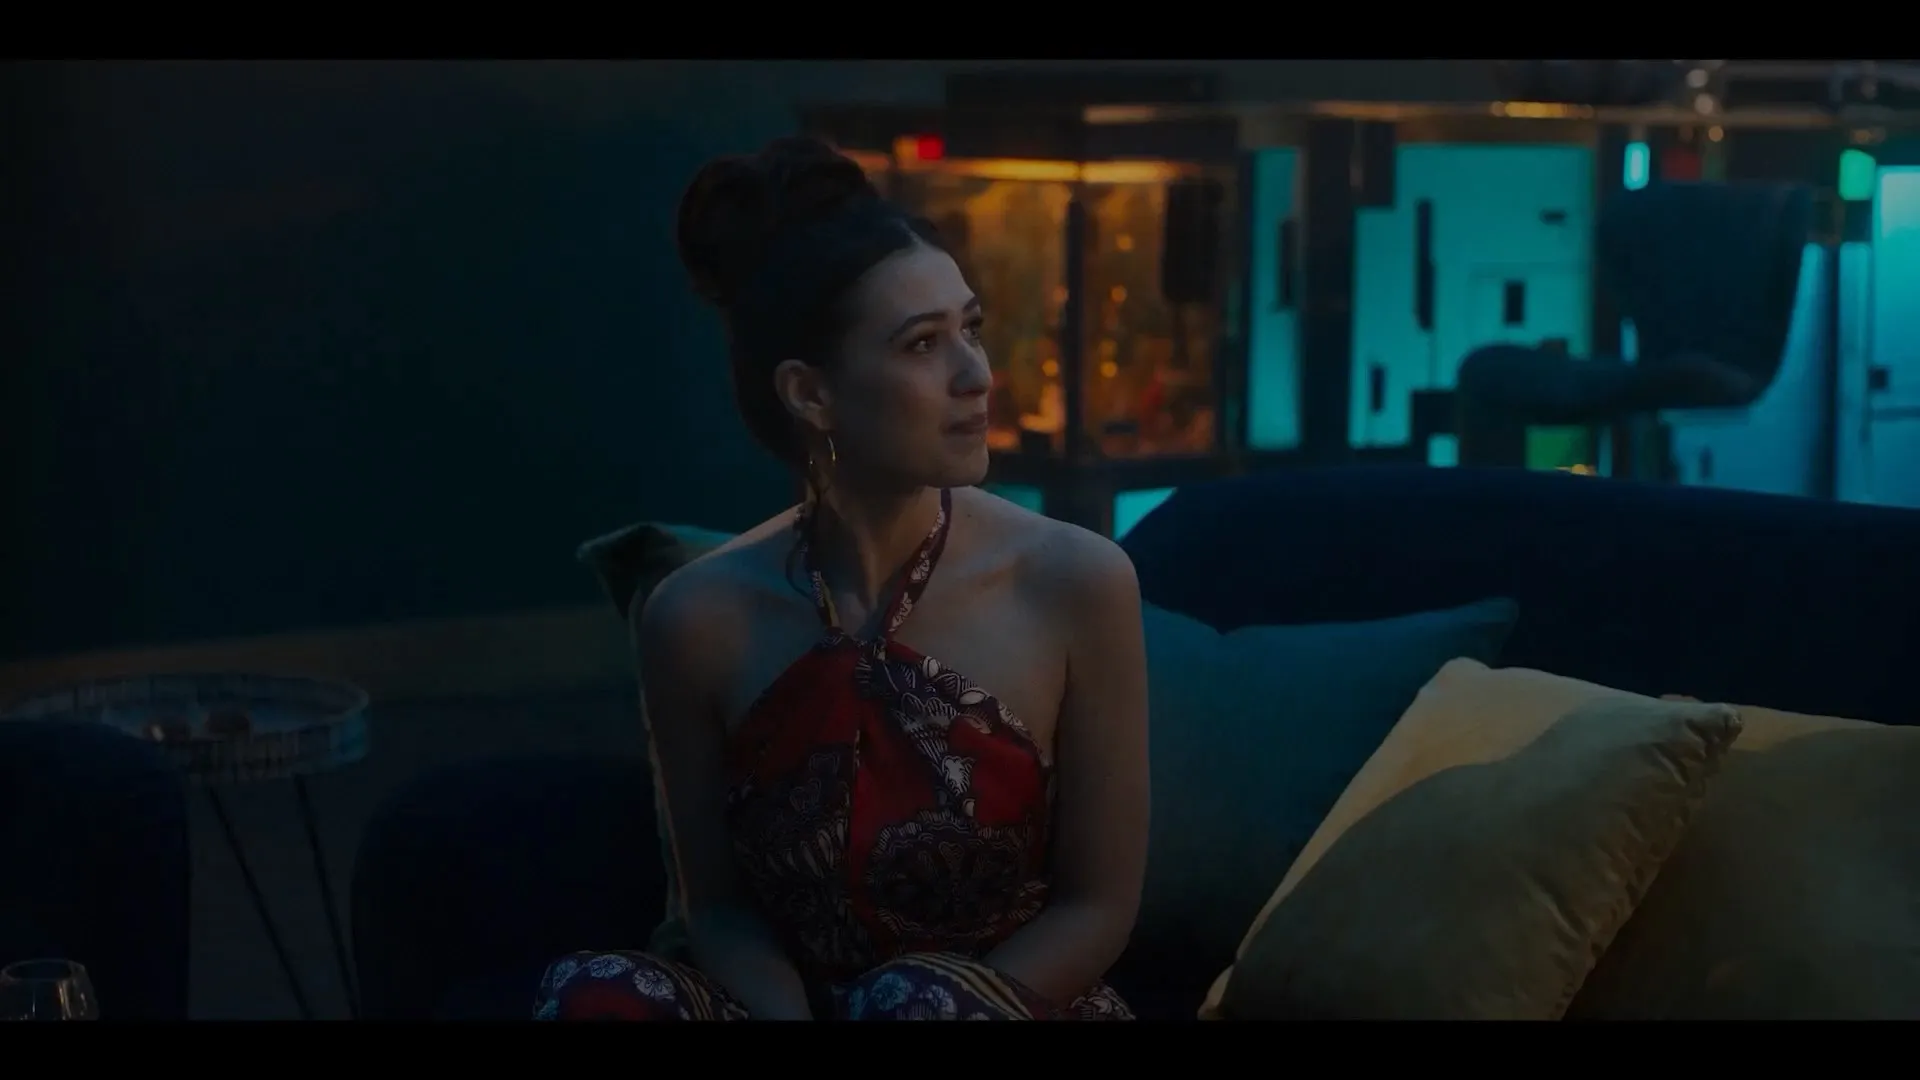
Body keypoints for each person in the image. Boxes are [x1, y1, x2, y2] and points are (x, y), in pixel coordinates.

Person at [533, 138, 1150, 1021]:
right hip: (787, 1007)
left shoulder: (1076, 580)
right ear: (811, 394)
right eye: (924, 344)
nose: (977, 375)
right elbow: (718, 910)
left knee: (913, 1004)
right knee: (590, 994)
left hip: (1001, 1005)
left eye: (971, 329)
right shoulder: (696, 616)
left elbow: (1098, 907)